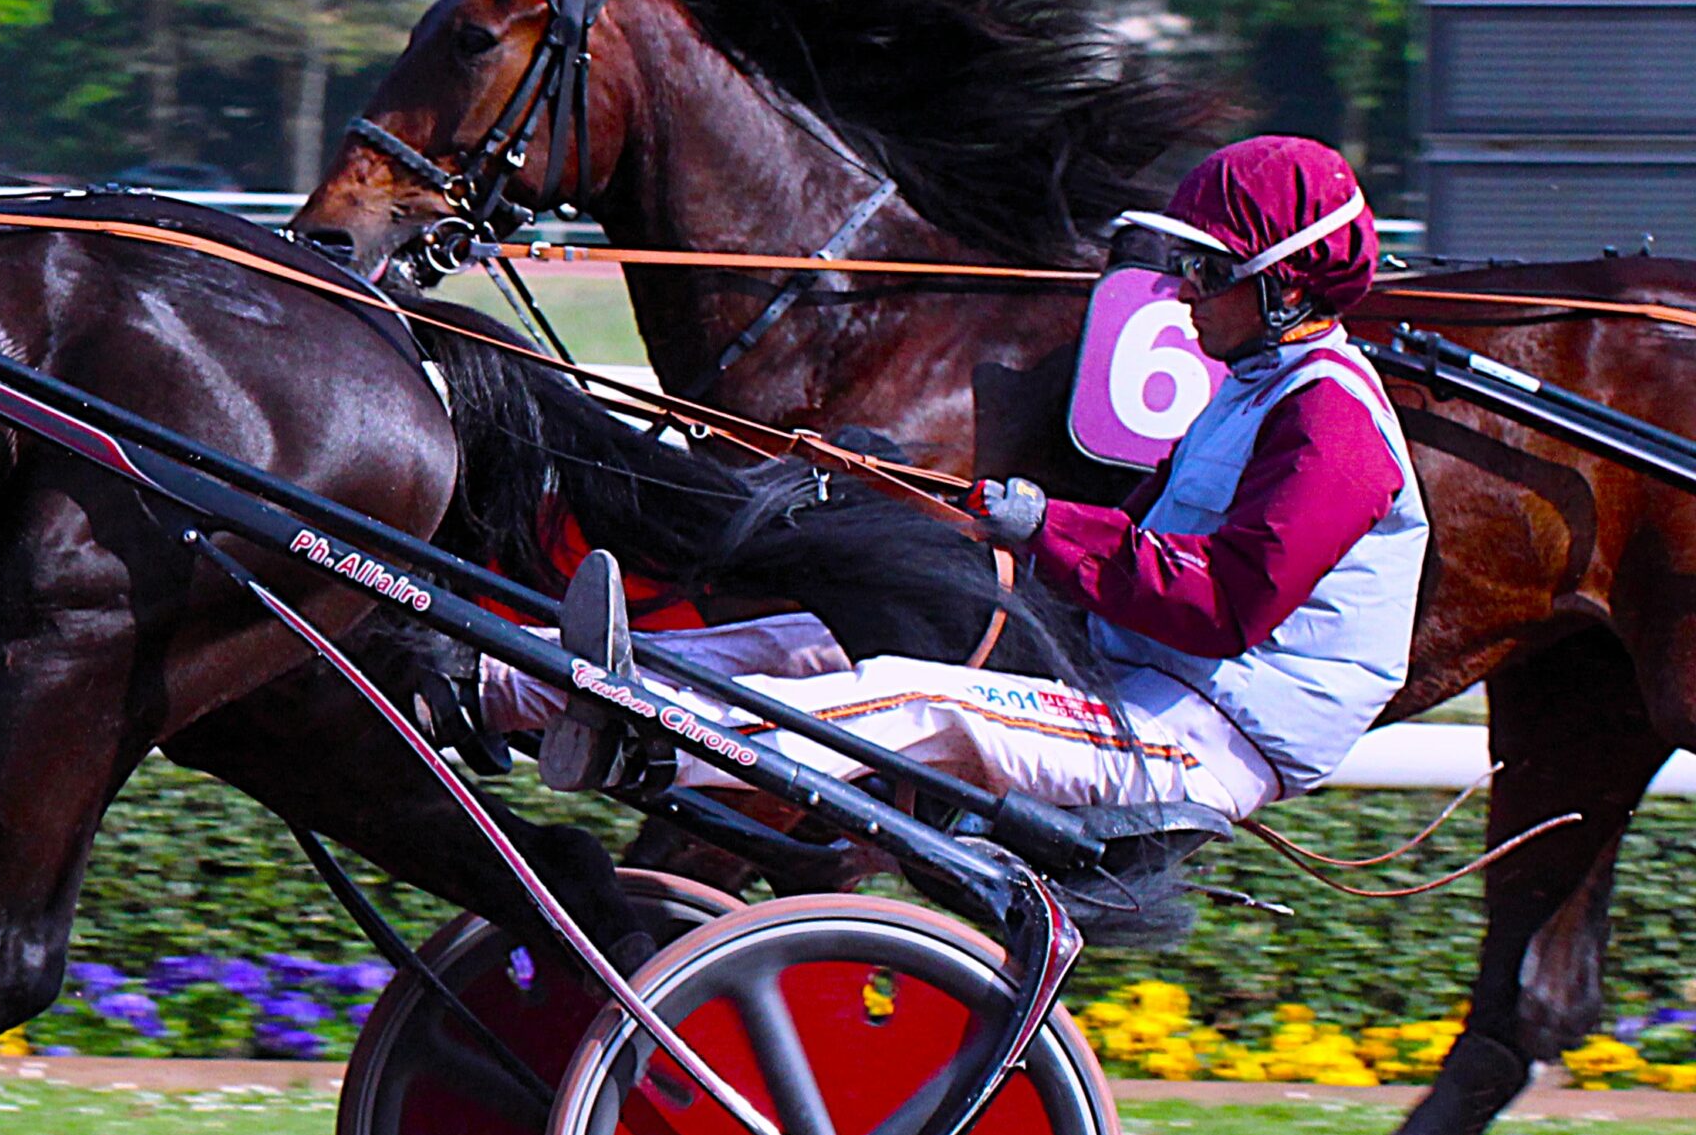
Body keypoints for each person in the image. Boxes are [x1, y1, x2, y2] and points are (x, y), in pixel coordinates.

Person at [494, 136, 1423, 821]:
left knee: (915, 696)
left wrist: (1045, 528)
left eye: (1206, 269)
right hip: (1126, 677)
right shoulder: (1252, 390)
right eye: (1179, 263)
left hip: (1201, 743)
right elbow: (1138, 542)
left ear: (1289, 288)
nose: (1178, 288)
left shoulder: (1332, 425)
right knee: (817, 638)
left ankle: (653, 740)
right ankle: (504, 679)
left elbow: (1221, 606)